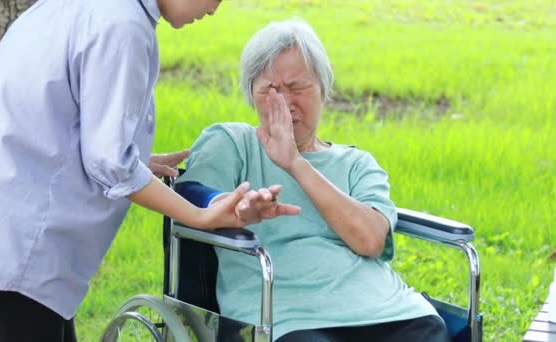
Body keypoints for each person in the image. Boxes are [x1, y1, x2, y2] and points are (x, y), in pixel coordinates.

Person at [0, 1, 300, 341]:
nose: (214, 10)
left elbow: (55, 112)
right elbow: (111, 163)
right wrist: (200, 216)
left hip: (0, 208)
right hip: (24, 231)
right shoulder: (123, 24)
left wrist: (142, 159)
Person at [176, 18, 451, 341]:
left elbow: (371, 240)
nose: (285, 102)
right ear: (251, 94)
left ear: (324, 90)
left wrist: (294, 162)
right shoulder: (232, 143)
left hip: (384, 309)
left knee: (431, 330)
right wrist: (229, 206)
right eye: (270, 90)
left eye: (297, 88)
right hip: (286, 315)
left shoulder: (356, 164)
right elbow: (188, 195)